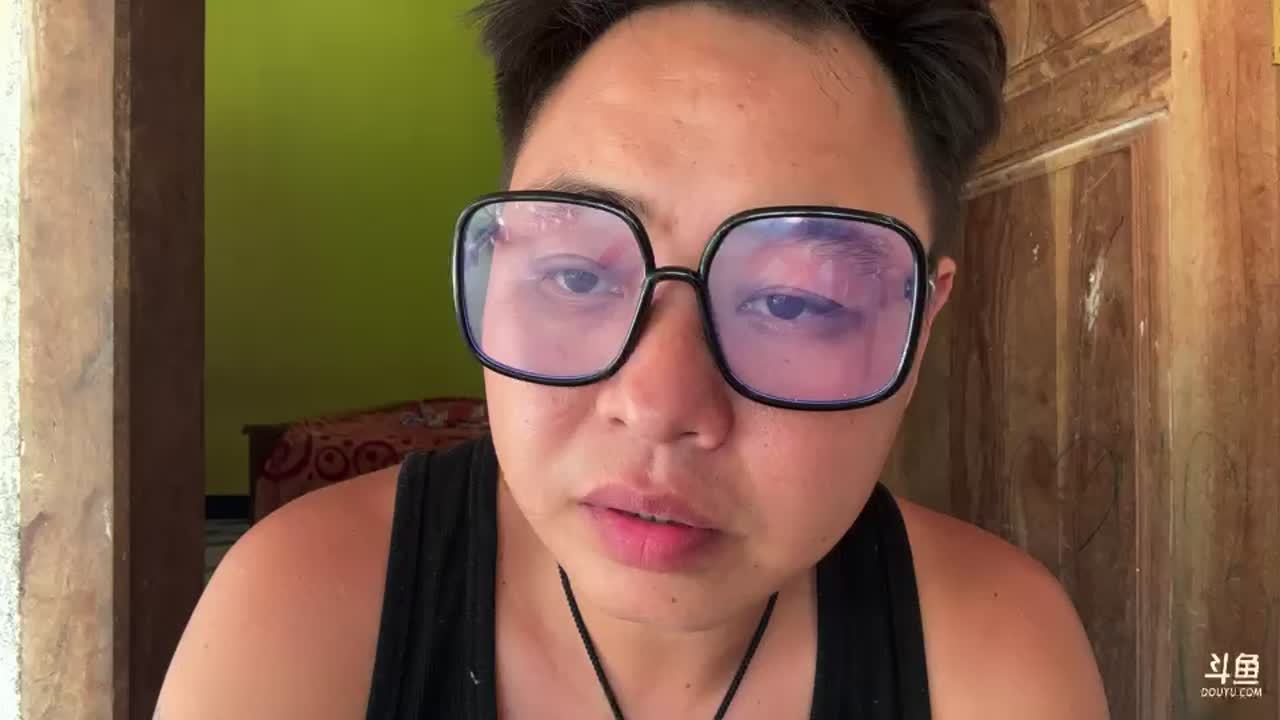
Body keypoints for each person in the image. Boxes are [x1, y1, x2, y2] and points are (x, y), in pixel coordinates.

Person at [158, 1, 1111, 718]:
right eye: (578, 274)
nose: (657, 403)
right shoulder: (300, 618)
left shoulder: (992, 660)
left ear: (920, 328)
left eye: (792, 300)